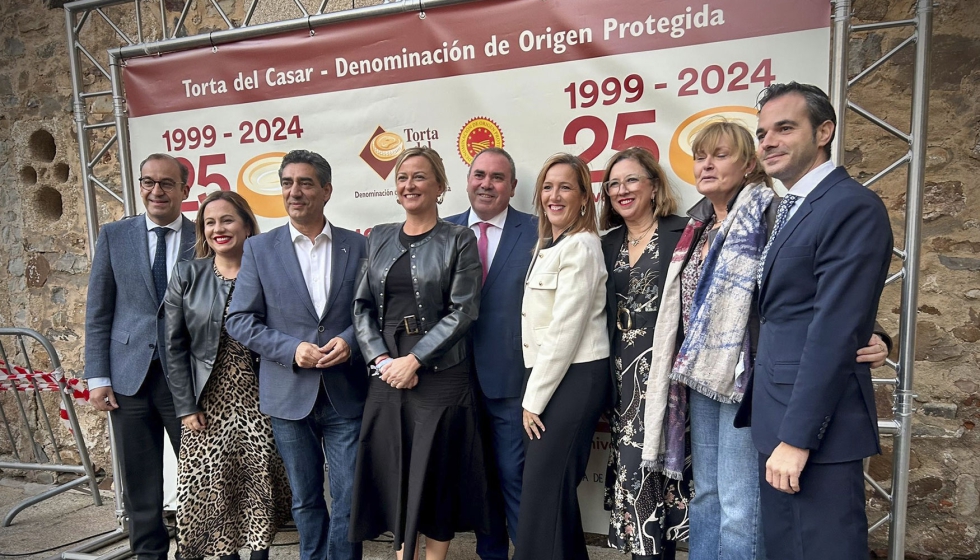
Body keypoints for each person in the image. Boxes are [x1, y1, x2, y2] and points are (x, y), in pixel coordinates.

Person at [735, 82, 892, 559]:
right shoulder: (792, 208)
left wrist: (798, 438)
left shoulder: (851, 206)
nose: (769, 142)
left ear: (824, 131)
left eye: (785, 128)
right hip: (778, 414)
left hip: (813, 428)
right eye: (763, 133)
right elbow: (800, 306)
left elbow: (834, 327)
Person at [225, 149, 367, 560]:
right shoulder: (259, 250)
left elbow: (371, 313)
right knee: (305, 501)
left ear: (326, 190)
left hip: (346, 394)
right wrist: (292, 350)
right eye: (287, 183)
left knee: (348, 499)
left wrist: (349, 341)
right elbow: (240, 320)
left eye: (305, 183)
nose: (294, 192)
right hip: (288, 396)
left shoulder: (358, 247)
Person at [349, 146, 487, 560]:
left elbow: (464, 310)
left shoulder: (459, 238)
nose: (410, 184)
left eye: (420, 176)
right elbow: (361, 308)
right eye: (403, 177)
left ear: (441, 186)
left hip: (441, 371)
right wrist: (381, 360)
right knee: (396, 469)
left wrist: (415, 360)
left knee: (437, 472)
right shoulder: (379, 236)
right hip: (387, 371)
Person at [163, 191, 291, 560]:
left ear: (247, 224)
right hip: (207, 405)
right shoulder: (188, 273)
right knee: (214, 493)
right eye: (209, 222)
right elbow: (174, 347)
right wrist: (186, 407)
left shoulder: (270, 271)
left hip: (262, 400)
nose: (218, 228)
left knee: (259, 489)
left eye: (227, 219)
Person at [84, 153, 196, 560]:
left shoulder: (204, 234)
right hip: (129, 375)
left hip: (186, 378)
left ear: (185, 188)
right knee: (140, 476)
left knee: (199, 473)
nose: (156, 191)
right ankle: (149, 553)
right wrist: (97, 377)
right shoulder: (116, 235)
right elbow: (98, 312)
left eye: (166, 183)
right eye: (148, 182)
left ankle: (196, 549)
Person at [596, 147, 692, 560]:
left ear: (654, 186)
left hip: (669, 378)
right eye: (614, 183)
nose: (622, 190)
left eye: (632, 180)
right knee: (635, 476)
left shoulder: (688, 231)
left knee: (661, 478)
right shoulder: (604, 243)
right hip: (621, 378)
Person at [513, 153, 609, 560]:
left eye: (565, 186)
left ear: (585, 197)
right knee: (550, 493)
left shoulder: (583, 246)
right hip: (552, 376)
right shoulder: (549, 243)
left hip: (573, 378)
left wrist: (532, 400)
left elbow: (564, 333)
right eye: (548, 187)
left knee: (543, 492)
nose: (554, 195)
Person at [445, 148, 537, 560]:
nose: (486, 184)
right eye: (479, 175)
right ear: (466, 181)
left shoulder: (539, 232)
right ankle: (492, 554)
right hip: (451, 380)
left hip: (512, 380)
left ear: (513, 187)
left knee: (514, 474)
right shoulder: (440, 232)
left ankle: (530, 551)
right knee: (475, 478)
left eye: (497, 177)